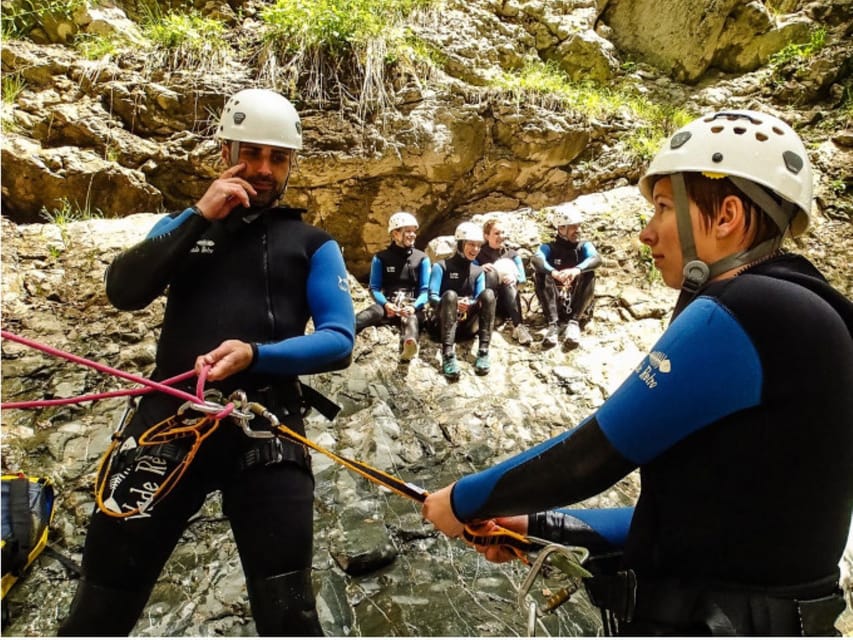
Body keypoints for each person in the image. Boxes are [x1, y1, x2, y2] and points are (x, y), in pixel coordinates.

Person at [423, 110, 853, 636]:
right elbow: (687, 526)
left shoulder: (750, 306)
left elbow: (590, 457)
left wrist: (462, 500)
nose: (646, 234)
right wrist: (538, 524)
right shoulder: (808, 309)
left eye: (664, 208)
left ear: (728, 217)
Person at [58, 88, 355, 637]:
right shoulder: (179, 226)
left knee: (289, 614)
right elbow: (124, 291)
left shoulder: (311, 243)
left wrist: (257, 354)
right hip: (166, 422)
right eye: (252, 153)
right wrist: (199, 215)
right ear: (226, 150)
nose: (264, 169)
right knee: (100, 607)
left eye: (279, 157)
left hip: (265, 427)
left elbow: (339, 339)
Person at [355, 211, 430, 362]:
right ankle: (346, 328)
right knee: (374, 311)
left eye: (413, 231)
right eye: (407, 231)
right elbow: (374, 288)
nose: (412, 235)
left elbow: (425, 291)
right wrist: (386, 304)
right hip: (389, 305)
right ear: (395, 234)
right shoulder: (381, 258)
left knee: (411, 318)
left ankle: (409, 345)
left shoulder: (422, 258)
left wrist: (414, 306)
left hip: (411, 306)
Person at [426, 221, 496, 379]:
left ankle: (483, 351)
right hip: (442, 324)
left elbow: (480, 297)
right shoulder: (441, 266)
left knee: (489, 294)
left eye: (478, 245)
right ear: (460, 244)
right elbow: (432, 297)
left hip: (466, 326)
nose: (475, 250)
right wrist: (456, 302)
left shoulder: (478, 271)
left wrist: (468, 304)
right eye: (471, 244)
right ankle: (448, 354)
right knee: (450, 295)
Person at [531, 203, 601, 348]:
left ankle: (574, 323)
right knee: (541, 274)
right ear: (561, 228)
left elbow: (596, 259)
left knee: (589, 273)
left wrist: (576, 270)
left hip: (576, 303)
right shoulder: (548, 247)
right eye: (574, 227)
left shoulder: (584, 246)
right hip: (556, 302)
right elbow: (537, 260)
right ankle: (553, 325)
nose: (578, 230)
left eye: (578, 226)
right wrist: (554, 273)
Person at [475, 218, 533, 346]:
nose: (501, 236)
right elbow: (468, 273)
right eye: (496, 233)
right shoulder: (478, 254)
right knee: (490, 272)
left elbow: (522, 278)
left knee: (509, 280)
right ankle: (486, 321)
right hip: (487, 299)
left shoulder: (512, 254)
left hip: (508, 300)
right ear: (486, 236)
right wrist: (479, 269)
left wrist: (515, 278)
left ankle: (519, 326)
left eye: (502, 233)